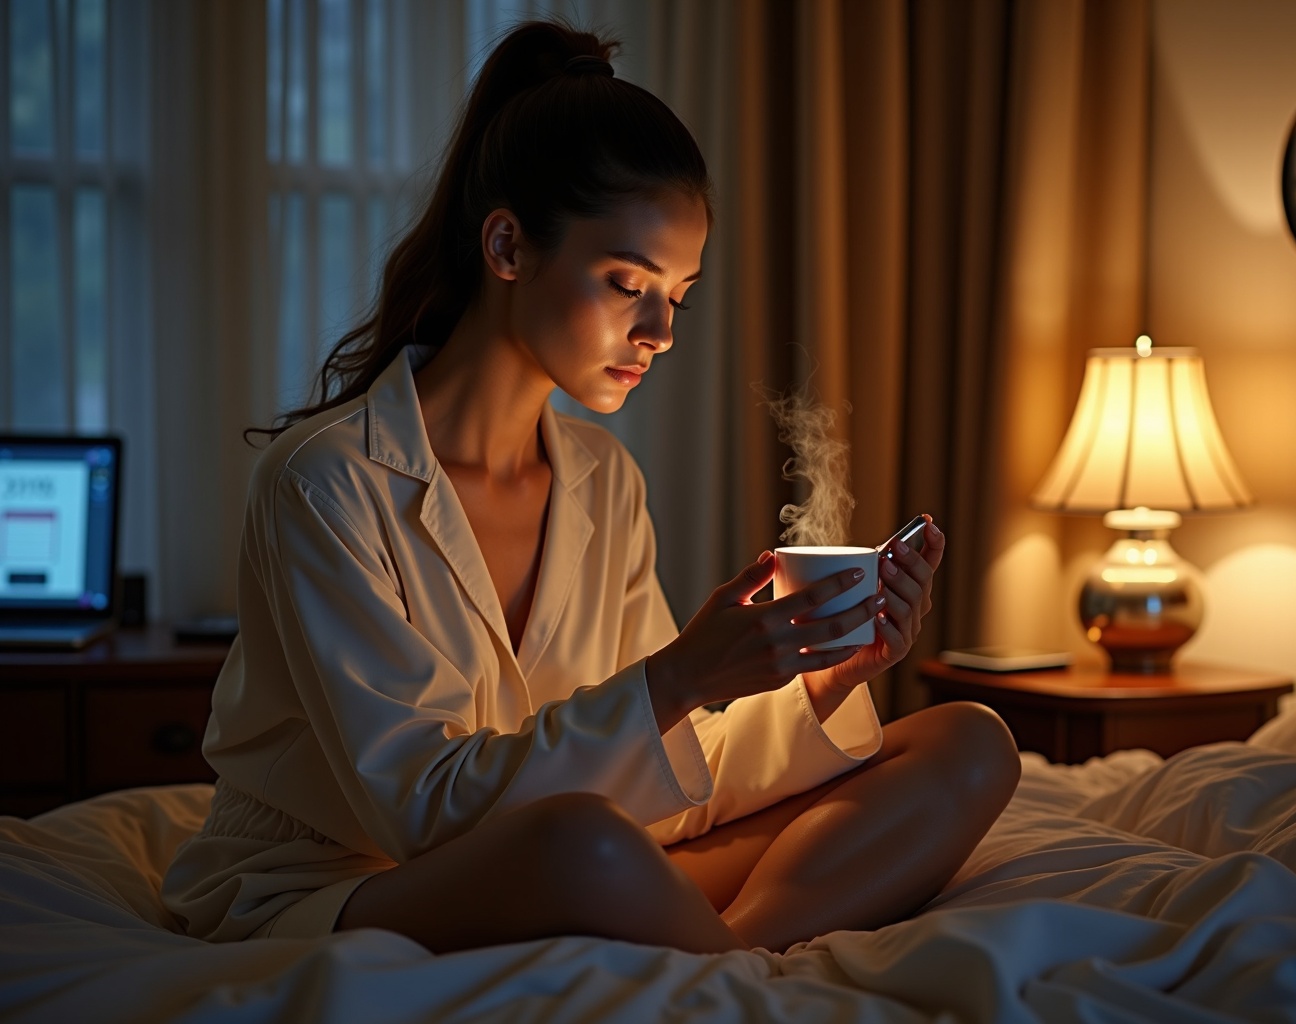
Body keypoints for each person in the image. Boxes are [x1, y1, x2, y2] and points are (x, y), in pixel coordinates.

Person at [161, 20, 1020, 957]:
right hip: (354, 881)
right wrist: (680, 676)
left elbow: (652, 773)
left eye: (677, 295)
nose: (662, 330)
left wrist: (818, 684)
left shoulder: (604, 479)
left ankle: (735, 953)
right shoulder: (323, 485)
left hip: (581, 853)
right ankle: (720, 963)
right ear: (507, 246)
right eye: (625, 283)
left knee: (968, 742)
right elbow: (423, 812)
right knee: (582, 842)